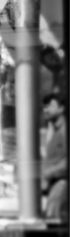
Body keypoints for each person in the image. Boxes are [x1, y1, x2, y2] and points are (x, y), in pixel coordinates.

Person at [42, 91, 68, 221]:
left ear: (61, 108)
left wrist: (47, 173)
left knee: (54, 224)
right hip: (54, 184)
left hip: (62, 184)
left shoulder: (65, 131)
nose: (45, 109)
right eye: (45, 106)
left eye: (50, 106)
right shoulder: (54, 130)